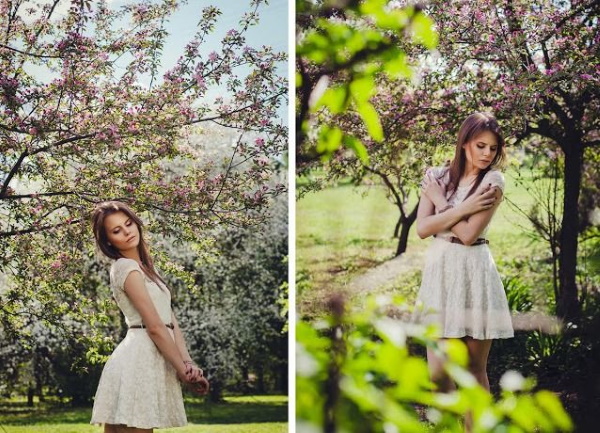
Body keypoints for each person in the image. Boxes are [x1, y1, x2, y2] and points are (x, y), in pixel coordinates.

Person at [414, 112, 514, 397]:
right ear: (464, 143)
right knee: (438, 374)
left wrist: (442, 203)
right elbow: (422, 228)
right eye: (481, 146)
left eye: (493, 148)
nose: (487, 153)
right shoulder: (436, 177)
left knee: (473, 372)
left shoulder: (492, 181)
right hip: (441, 270)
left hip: (475, 270)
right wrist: (461, 210)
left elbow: (469, 235)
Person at [90, 201, 209, 433]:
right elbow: (154, 326)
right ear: (108, 241)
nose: (127, 232)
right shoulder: (126, 267)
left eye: (128, 223)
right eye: (116, 231)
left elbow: (170, 321)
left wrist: (187, 364)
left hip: (149, 357)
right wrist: (184, 374)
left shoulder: (145, 269)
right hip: (138, 359)